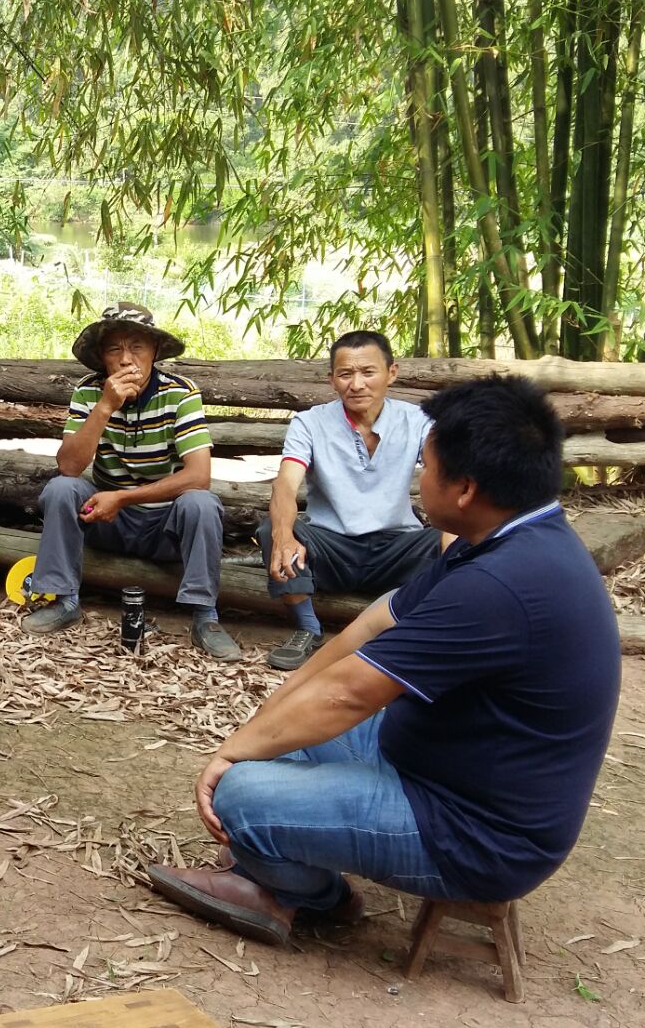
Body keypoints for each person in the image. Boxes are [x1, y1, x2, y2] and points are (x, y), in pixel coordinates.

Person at [146, 377, 621, 948]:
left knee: (238, 794)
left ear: (465, 489)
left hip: (471, 832)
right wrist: (270, 710)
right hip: (431, 759)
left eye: (426, 467)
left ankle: (313, 895)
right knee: (279, 732)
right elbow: (375, 622)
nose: (420, 478)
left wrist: (228, 755)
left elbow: (350, 693)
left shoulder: (501, 584)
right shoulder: (505, 539)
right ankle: (275, 868)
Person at [20, 303, 238, 661]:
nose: (125, 360)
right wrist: (105, 406)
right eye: (114, 349)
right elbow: (69, 466)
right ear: (101, 357)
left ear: (155, 351)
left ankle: (205, 617)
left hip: (163, 526)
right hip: (108, 521)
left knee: (201, 502)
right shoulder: (89, 392)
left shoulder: (180, 393)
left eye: (137, 347)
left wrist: (122, 498)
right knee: (61, 489)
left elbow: (199, 476)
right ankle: (64, 600)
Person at [257, 331, 445, 671]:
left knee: (452, 542)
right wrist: (284, 536)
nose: (356, 384)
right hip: (332, 548)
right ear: (332, 379)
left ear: (391, 373)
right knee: (275, 528)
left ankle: (420, 630)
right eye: (345, 374)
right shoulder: (310, 422)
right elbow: (285, 484)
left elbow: (445, 476)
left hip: (396, 547)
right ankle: (308, 628)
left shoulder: (417, 421)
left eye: (368, 372)